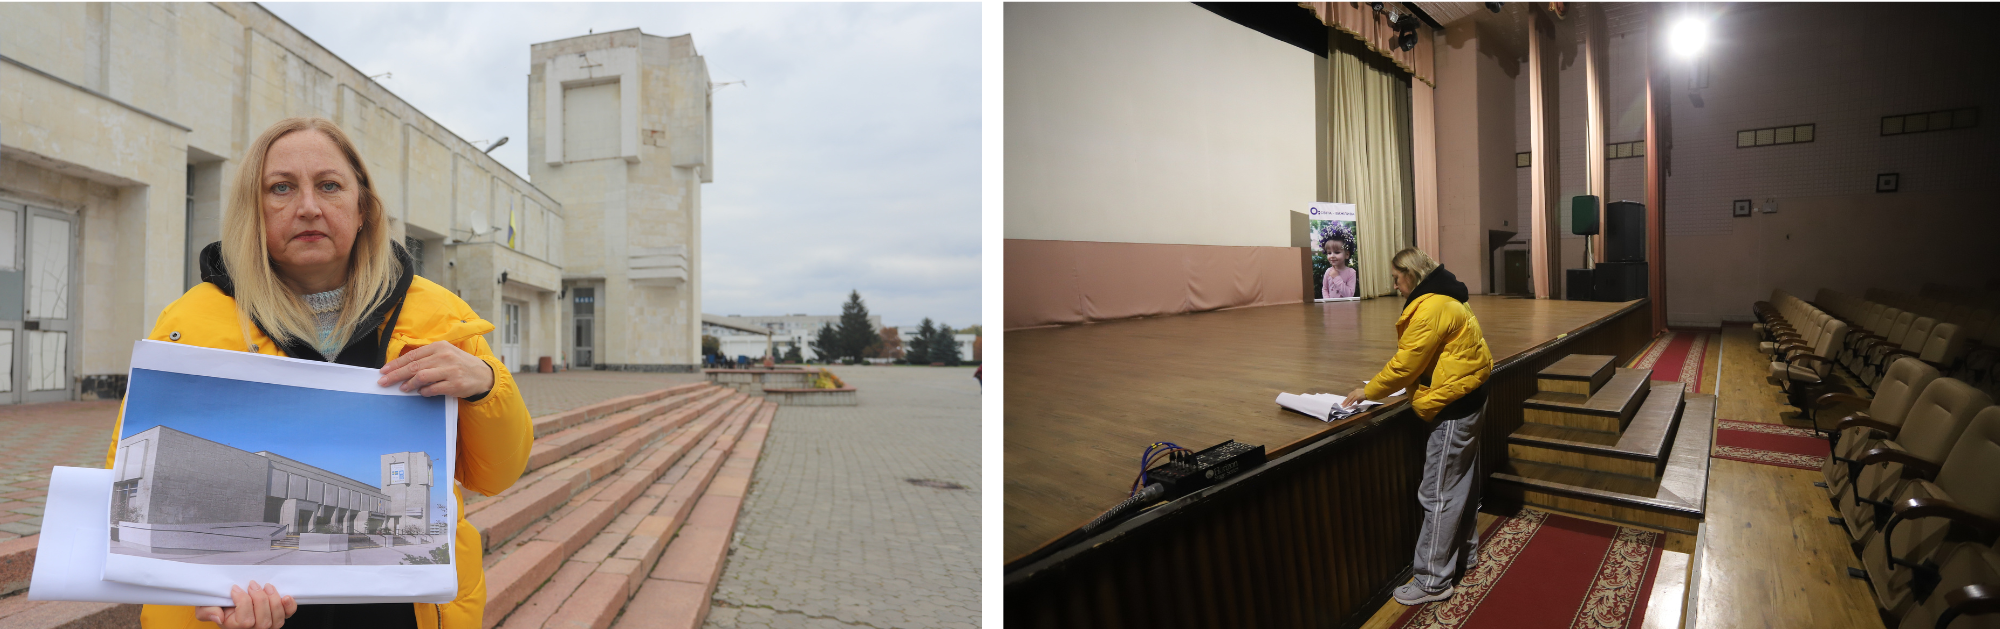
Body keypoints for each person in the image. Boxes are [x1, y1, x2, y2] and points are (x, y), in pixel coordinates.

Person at [110, 117, 533, 629]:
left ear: (362, 209)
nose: (307, 206)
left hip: (407, 611)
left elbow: (497, 472)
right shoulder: (189, 323)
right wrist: (206, 589)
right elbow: (129, 480)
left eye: (329, 185)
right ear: (254, 211)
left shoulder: (439, 317)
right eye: (281, 188)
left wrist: (485, 385)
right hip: (249, 610)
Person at [1339, 247, 1492, 606]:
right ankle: (1465, 554)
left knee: (1437, 493)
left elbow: (1406, 364)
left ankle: (1432, 581)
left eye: (1396, 278)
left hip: (1453, 408)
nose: (1394, 286)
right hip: (1469, 398)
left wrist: (1369, 390)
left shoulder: (1432, 305)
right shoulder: (1445, 295)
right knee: (1461, 486)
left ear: (1411, 274)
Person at [1320, 224, 1359, 299]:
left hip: (1345, 309)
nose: (1332, 256)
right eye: (1329, 253)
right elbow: (1325, 289)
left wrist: (1336, 277)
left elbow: (1349, 295)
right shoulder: (1328, 271)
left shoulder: (1351, 272)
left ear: (1347, 254)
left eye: (1337, 252)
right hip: (1331, 308)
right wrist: (1328, 302)